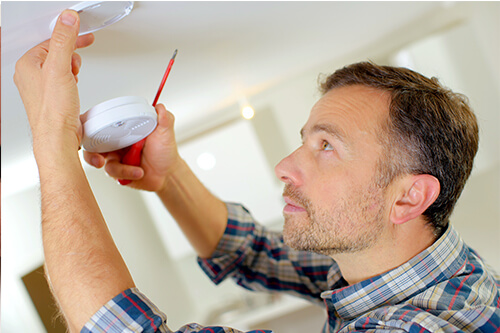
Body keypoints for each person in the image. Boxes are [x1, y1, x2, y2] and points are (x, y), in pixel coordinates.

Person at [14, 10, 500, 333]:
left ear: (409, 198)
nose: (285, 166)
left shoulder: (423, 325)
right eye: (304, 140)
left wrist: (52, 142)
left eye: (327, 146)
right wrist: (169, 176)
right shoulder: (410, 266)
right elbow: (254, 252)